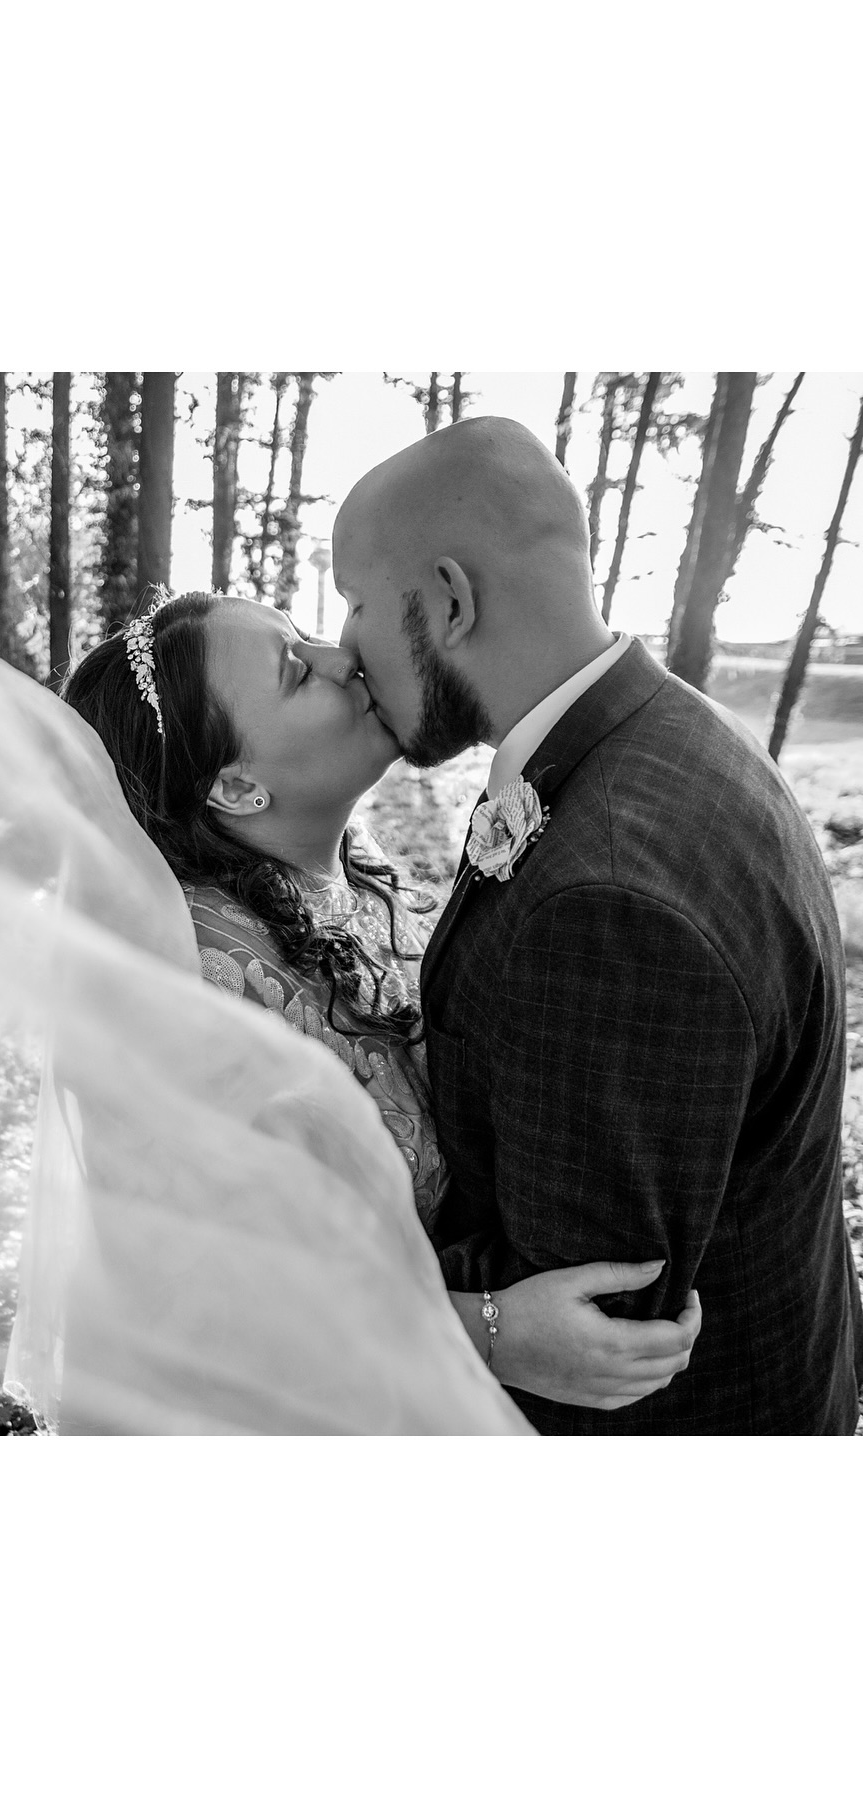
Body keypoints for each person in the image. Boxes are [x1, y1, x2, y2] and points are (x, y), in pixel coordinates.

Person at [332, 414, 863, 1434]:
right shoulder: (683, 734)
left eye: (358, 602)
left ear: (449, 600)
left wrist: (318, 1271)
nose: (346, 647)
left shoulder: (603, 901)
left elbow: (590, 1336)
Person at [65, 589, 702, 1413]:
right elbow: (195, 1290)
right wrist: (493, 1333)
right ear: (235, 786)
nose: (344, 657)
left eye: (303, 633)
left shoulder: (353, 864)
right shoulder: (183, 972)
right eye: (299, 672)